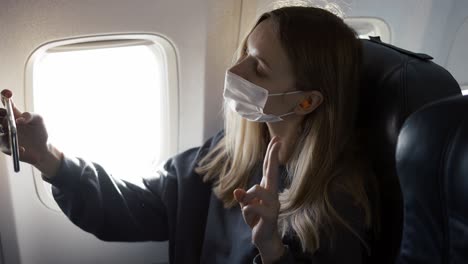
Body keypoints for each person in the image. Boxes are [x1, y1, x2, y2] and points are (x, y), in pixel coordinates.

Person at [1, 6, 376, 264]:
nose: (236, 69)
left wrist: (272, 250)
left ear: (307, 101)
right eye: (246, 53)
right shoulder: (230, 155)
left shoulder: (337, 202)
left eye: (258, 67)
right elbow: (140, 208)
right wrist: (48, 158)